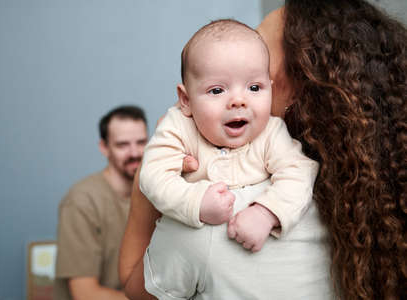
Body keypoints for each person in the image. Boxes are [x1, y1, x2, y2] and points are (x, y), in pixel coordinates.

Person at [120, 0, 406, 299]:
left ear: (294, 91)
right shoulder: (368, 223)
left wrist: (152, 169)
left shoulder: (214, 220)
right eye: (218, 88)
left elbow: (134, 284)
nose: (237, 100)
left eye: (254, 82)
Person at [139, 19, 318, 255]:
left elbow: (299, 173)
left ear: (270, 89)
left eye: (254, 88)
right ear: (186, 100)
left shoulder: (271, 133)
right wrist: (196, 201)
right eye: (217, 90)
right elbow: (153, 175)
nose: (238, 100)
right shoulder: (178, 127)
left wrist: (266, 213)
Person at [54, 105, 148, 300]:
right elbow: (85, 294)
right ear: (104, 148)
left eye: (141, 142)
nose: (135, 153)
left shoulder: (155, 194)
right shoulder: (81, 202)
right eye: (122, 145)